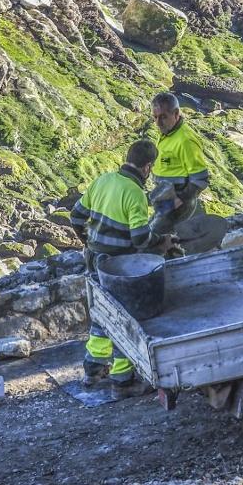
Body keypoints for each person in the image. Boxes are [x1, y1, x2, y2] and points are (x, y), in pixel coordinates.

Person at [69, 139, 158, 394]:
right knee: (123, 318)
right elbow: (141, 238)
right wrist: (161, 242)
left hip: (94, 260)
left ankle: (92, 370)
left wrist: (87, 240)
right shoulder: (135, 193)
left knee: (101, 314)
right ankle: (122, 377)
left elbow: (76, 216)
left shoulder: (103, 180)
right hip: (119, 267)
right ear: (147, 168)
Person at [149, 92, 210, 240]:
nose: (158, 123)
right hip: (165, 199)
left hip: (178, 202)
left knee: (154, 237)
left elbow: (200, 180)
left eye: (163, 117)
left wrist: (179, 200)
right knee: (156, 235)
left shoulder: (185, 140)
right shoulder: (168, 132)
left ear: (176, 113)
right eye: (155, 117)